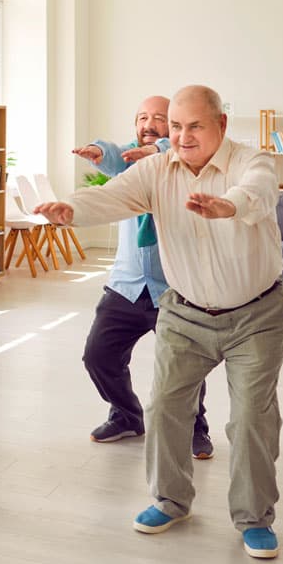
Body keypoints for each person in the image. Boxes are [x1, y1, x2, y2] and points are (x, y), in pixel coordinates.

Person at [36, 85, 283, 559]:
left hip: (256, 315)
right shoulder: (156, 169)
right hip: (185, 312)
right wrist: (72, 210)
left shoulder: (250, 161)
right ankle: (171, 500)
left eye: (194, 126)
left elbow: (257, 194)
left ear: (221, 125)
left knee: (253, 417)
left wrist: (227, 206)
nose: (182, 136)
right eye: (176, 127)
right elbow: (114, 197)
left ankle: (254, 517)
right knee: (165, 408)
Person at [73, 95, 213, 459]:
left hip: (174, 287)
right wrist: (99, 151)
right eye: (141, 118)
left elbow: (173, 151)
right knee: (97, 356)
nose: (148, 124)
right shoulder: (130, 163)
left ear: (175, 126)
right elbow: (115, 154)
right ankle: (126, 415)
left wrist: (162, 151)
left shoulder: (185, 163)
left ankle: (196, 426)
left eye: (158, 118)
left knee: (184, 366)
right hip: (127, 286)